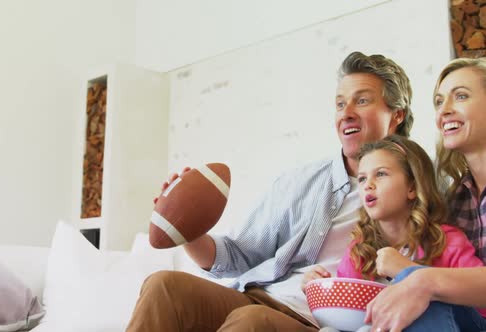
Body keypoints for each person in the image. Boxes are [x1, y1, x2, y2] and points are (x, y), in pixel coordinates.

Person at [126, 51, 415, 331]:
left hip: (311, 320)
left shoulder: (419, 190)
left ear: (397, 114)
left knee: (252, 321)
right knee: (164, 287)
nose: (347, 114)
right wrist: (186, 229)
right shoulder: (301, 182)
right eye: (340, 105)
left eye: (362, 101)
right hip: (259, 297)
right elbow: (237, 255)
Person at [310, 135, 484, 332]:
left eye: (381, 174)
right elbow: (349, 312)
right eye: (362, 178)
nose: (368, 184)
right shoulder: (359, 248)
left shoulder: (447, 241)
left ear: (412, 187)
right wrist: (318, 287)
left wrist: (406, 270)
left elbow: (480, 308)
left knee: (418, 291)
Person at [362, 58, 486, 332]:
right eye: (439, 102)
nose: (444, 111)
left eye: (461, 96)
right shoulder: (457, 198)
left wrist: (423, 280)